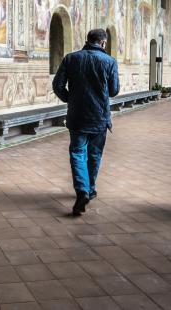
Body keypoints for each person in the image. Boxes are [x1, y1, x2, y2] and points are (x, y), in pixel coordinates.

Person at [52, 28, 120, 216]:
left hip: (77, 116)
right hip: (99, 117)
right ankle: (89, 189)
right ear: (103, 43)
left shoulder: (71, 58)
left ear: (88, 40)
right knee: (94, 154)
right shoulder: (110, 61)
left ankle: (82, 190)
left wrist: (70, 99)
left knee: (77, 153)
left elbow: (57, 85)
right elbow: (114, 90)